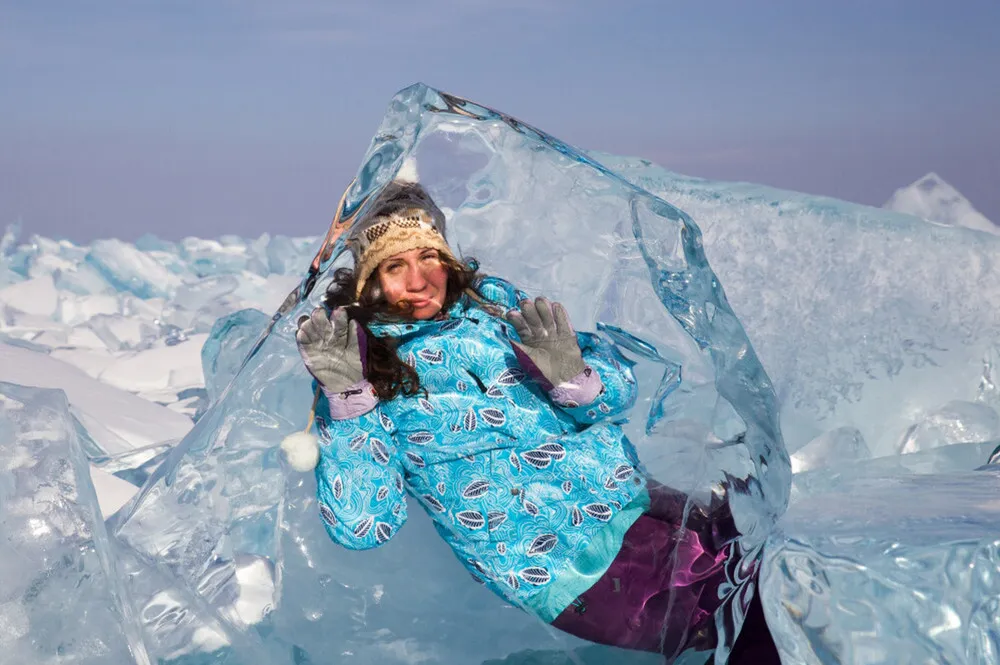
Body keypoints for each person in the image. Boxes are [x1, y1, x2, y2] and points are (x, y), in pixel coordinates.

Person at [286, 172, 781, 664]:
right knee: (751, 627)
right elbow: (364, 526)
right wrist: (349, 401)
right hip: (576, 569)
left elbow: (617, 395)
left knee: (792, 580)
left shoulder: (493, 306)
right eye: (394, 266)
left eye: (429, 256)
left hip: (645, 504)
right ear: (369, 280)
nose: (419, 281)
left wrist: (576, 378)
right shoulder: (361, 367)